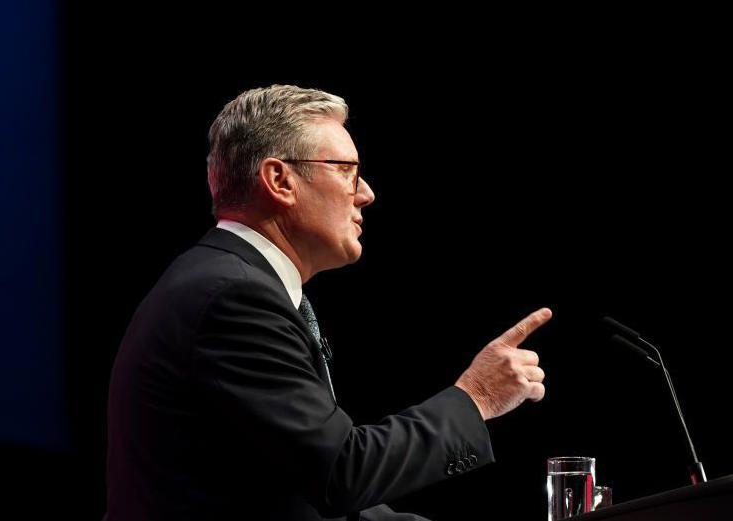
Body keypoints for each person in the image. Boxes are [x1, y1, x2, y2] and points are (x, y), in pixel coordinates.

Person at [103, 84, 551, 521]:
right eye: (347, 170)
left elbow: (295, 483)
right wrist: (477, 397)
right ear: (281, 180)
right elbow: (340, 473)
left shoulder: (231, 281)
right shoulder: (233, 298)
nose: (366, 193)